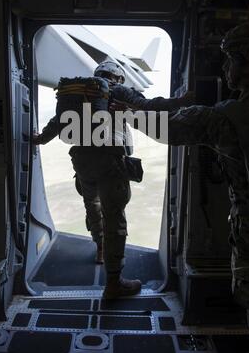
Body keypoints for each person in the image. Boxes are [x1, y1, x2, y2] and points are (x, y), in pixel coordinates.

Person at [122, 19, 249, 353]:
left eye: (232, 59)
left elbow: (166, 129)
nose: (226, 67)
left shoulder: (230, 118)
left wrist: (130, 105)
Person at [33, 57, 193, 299]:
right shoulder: (117, 91)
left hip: (81, 160)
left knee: (92, 206)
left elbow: (58, 122)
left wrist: (40, 138)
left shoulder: (80, 95)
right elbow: (149, 105)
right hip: (109, 161)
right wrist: (180, 101)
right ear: (117, 78)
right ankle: (114, 282)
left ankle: (99, 248)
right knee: (114, 218)